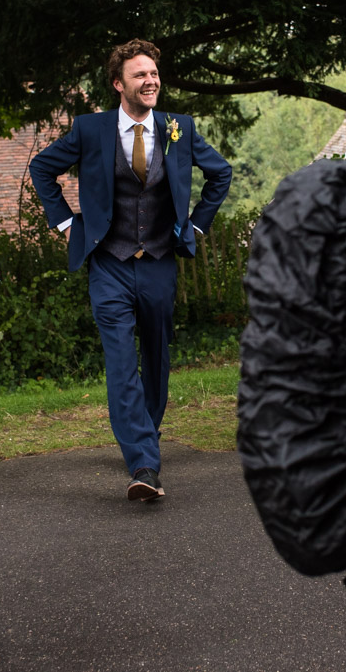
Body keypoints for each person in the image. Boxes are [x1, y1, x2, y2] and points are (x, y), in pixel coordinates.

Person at [29, 39, 232, 501]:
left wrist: (196, 227)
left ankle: (144, 437)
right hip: (109, 265)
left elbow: (221, 174)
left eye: (154, 74)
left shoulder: (178, 127)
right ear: (119, 84)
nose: (151, 80)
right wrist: (65, 224)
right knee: (121, 362)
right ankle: (143, 464)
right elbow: (43, 169)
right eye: (140, 74)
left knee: (157, 360)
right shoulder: (90, 129)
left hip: (160, 261)